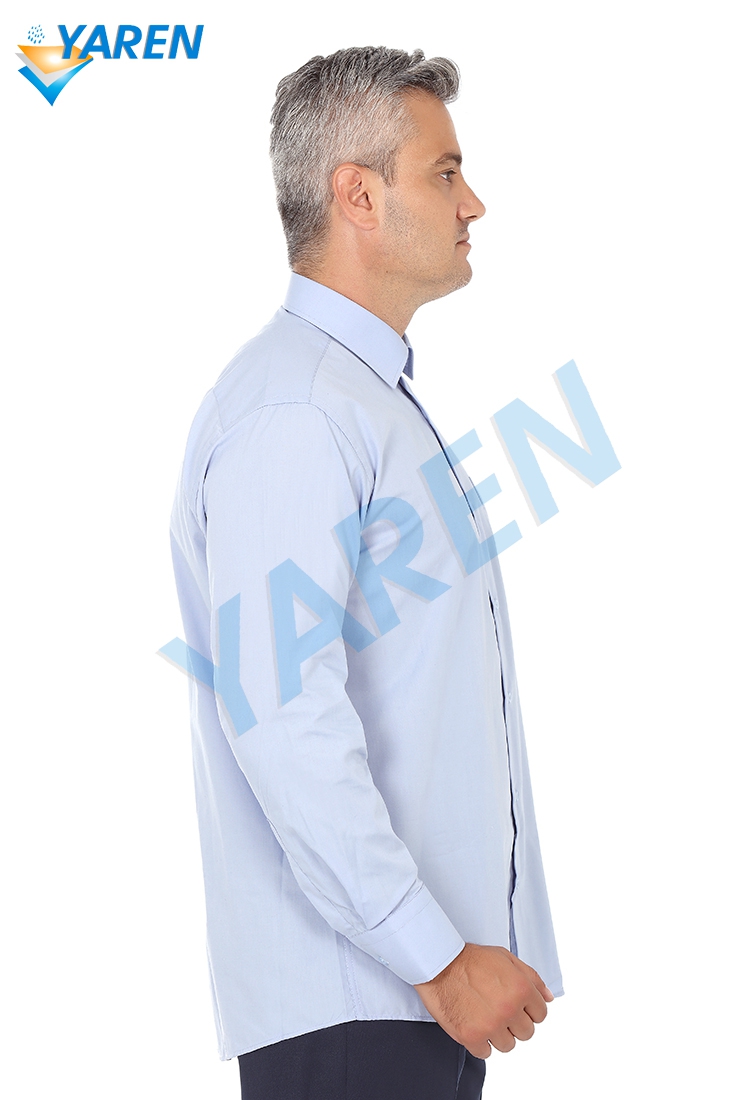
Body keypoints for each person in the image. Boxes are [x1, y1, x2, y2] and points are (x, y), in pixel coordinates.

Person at [168, 46, 563, 1100]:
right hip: (364, 1004)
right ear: (358, 194)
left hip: (404, 1001)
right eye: (445, 172)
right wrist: (435, 954)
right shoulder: (298, 411)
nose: (473, 203)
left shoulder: (353, 398)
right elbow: (283, 716)